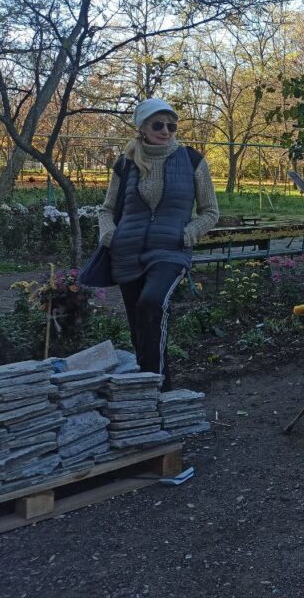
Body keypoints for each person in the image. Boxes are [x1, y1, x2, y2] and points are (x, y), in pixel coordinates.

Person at [97, 98, 219, 390]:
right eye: (158, 124)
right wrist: (108, 232)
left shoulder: (192, 160)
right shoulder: (125, 163)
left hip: (170, 250)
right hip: (127, 252)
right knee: (139, 325)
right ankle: (147, 387)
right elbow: (107, 209)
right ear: (142, 127)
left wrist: (191, 231)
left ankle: (159, 387)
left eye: (171, 125)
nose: (166, 130)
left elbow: (211, 212)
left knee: (152, 302)